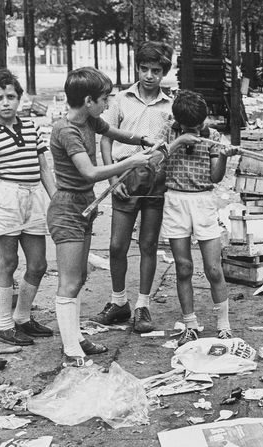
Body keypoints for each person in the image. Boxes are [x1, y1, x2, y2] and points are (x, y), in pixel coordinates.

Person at [48, 66, 160, 367]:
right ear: (88, 100)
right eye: (104, 99)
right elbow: (90, 172)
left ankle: (76, 338)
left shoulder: (89, 120)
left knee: (80, 277)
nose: (108, 104)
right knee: (69, 282)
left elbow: (112, 132)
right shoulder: (67, 130)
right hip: (68, 209)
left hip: (84, 205)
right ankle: (72, 351)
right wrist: (130, 163)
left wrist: (141, 141)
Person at [90, 42, 174, 333]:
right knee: (117, 245)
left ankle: (143, 306)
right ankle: (118, 302)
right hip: (125, 176)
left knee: (149, 244)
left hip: (156, 179)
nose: (149, 75)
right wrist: (112, 179)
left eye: (156, 70)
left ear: (164, 72)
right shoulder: (121, 100)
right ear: (136, 67)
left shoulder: (169, 106)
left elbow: (173, 145)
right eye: (144, 68)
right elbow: (105, 137)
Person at [0, 68, 57, 346]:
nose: (5, 102)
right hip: (7, 197)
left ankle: (22, 317)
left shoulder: (32, 128)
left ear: (19, 98)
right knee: (8, 261)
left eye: (10, 96)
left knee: (38, 263)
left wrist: (56, 200)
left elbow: (44, 169)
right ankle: (4, 324)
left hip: (34, 197)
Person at [162, 90, 238, 345]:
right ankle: (190, 324)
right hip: (175, 200)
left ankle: (224, 324)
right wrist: (178, 141)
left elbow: (215, 178)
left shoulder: (213, 136)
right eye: (191, 127)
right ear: (179, 122)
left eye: (200, 125)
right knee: (183, 267)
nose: (198, 130)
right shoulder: (168, 132)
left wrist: (224, 157)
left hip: (203, 201)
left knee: (213, 268)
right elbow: (154, 163)